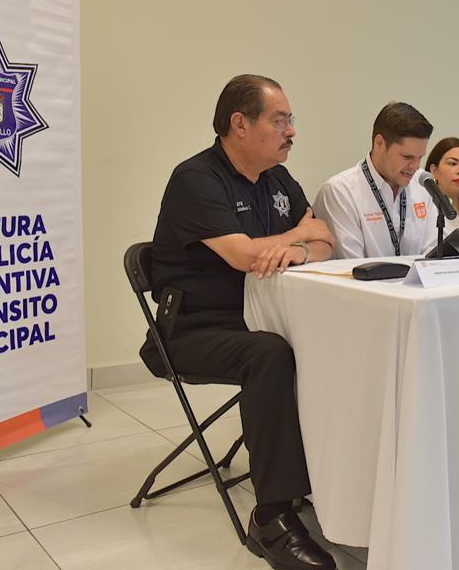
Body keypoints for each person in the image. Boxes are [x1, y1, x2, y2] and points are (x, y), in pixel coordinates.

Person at [141, 75, 336, 570]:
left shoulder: (278, 180)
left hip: (260, 316)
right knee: (270, 354)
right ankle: (271, 518)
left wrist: (297, 247)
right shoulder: (196, 180)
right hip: (192, 329)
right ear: (240, 124)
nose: (292, 131)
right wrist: (295, 238)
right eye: (280, 120)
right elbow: (244, 256)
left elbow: (325, 240)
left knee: (333, 340)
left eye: (291, 120)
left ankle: (328, 483)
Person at [314, 102, 439, 258]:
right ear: (379, 143)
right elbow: (350, 267)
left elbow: (434, 255)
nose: (415, 166)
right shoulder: (340, 192)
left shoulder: (423, 185)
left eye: (420, 157)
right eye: (407, 157)